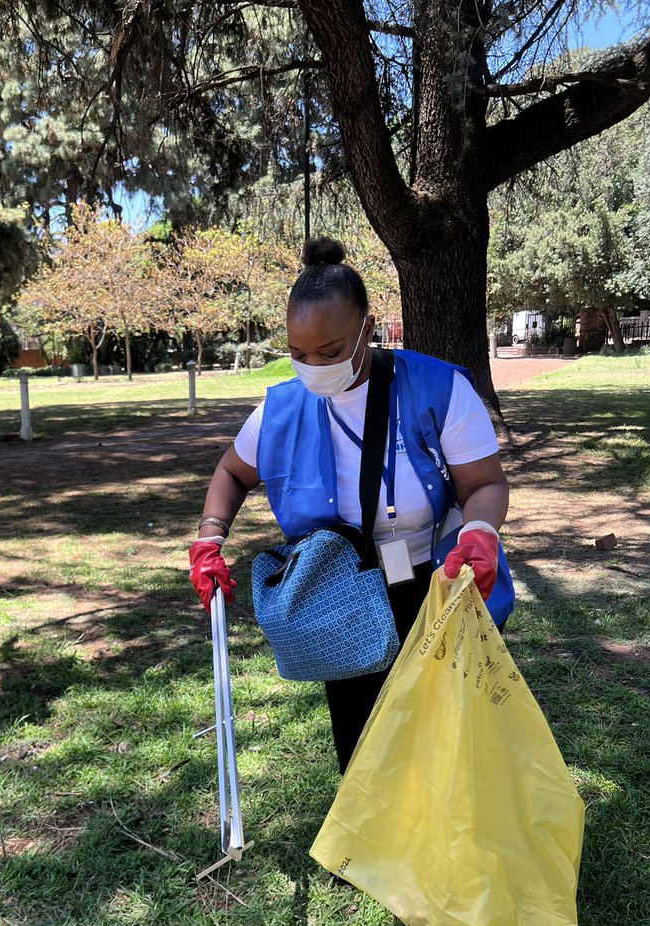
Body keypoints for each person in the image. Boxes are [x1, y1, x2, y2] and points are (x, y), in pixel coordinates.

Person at [189, 238, 510, 773]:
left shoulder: (438, 388)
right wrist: (209, 537)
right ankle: (376, 849)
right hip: (344, 590)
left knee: (453, 737)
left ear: (368, 329)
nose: (313, 368)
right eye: (298, 355)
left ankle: (451, 848)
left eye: (331, 352)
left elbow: (485, 484)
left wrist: (480, 533)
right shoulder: (281, 409)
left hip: (441, 581)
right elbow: (231, 471)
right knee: (365, 745)